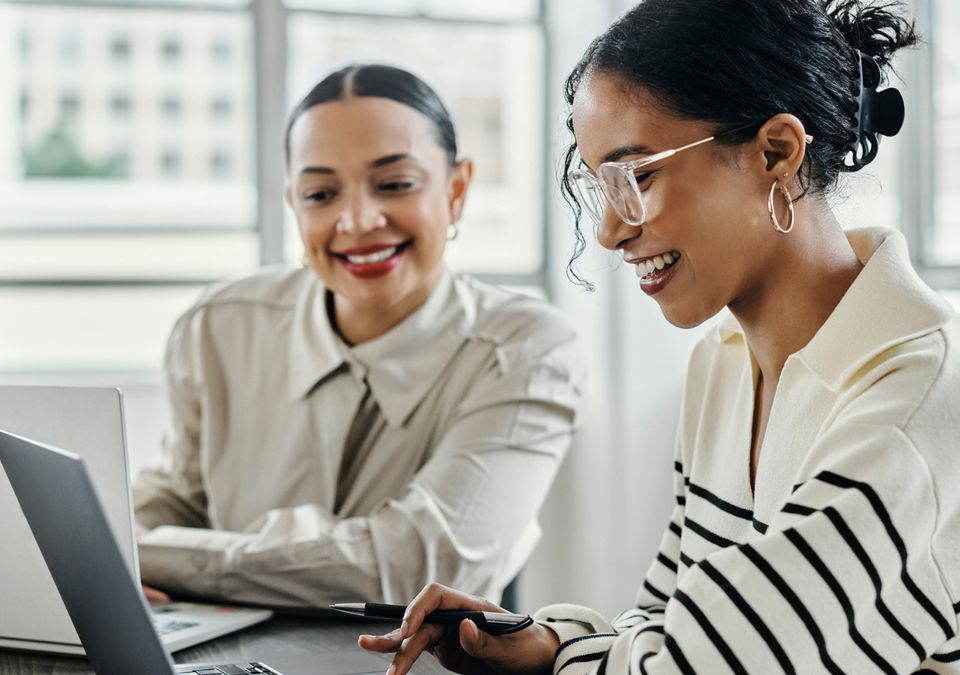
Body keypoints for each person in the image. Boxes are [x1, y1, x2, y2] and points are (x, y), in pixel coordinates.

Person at [361, 1, 960, 673]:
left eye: (637, 177)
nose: (611, 232)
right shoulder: (723, 364)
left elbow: (711, 662)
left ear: (777, 152)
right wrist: (546, 642)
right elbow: (666, 615)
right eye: (600, 187)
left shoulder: (921, 398)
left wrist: (571, 661)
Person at [131, 64, 585, 607]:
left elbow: (419, 570)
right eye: (321, 194)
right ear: (293, 206)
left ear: (457, 189)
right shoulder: (218, 326)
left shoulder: (527, 349)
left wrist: (157, 556)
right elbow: (174, 501)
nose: (358, 221)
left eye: (394, 185)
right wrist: (115, 549)